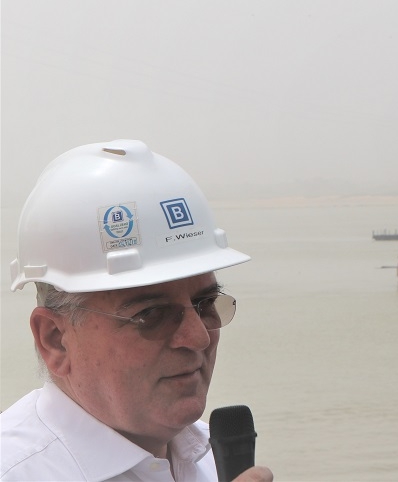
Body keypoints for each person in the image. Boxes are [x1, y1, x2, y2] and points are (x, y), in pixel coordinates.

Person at [1, 140, 273, 482]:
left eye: (205, 305)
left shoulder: (206, 456)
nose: (198, 337)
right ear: (56, 340)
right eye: (151, 315)